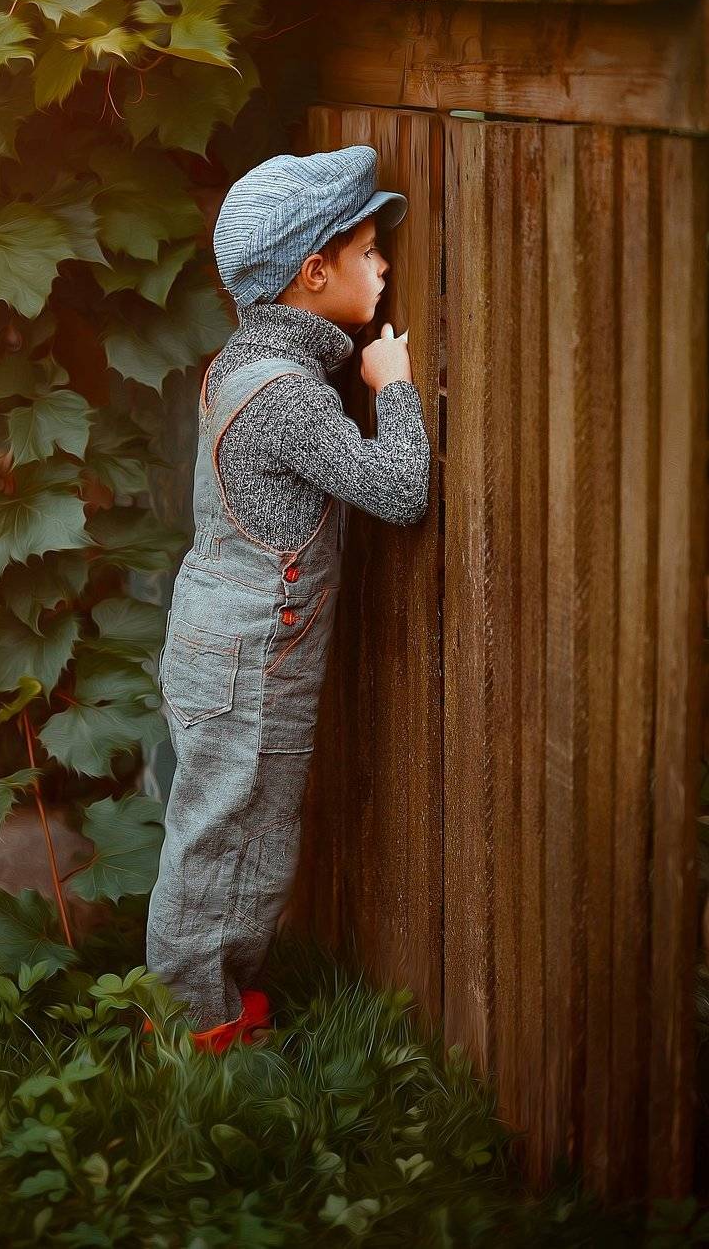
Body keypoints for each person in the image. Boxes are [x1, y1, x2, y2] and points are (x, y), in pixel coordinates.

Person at [143, 145, 432, 1052]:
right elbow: (400, 489)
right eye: (369, 251)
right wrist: (394, 388)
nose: (385, 266)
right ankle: (191, 1029)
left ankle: (215, 1006)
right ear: (313, 273)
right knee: (223, 848)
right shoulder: (287, 398)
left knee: (244, 840)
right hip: (247, 667)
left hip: (226, 647)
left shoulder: (246, 361)